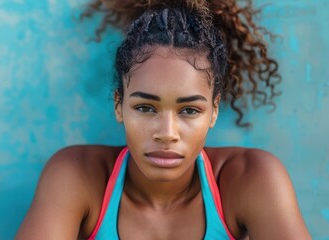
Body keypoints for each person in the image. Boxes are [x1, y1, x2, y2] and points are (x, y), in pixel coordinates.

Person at [16, 0, 311, 239]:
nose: (167, 133)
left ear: (214, 110)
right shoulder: (76, 175)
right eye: (145, 107)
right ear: (119, 106)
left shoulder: (251, 179)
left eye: (189, 110)